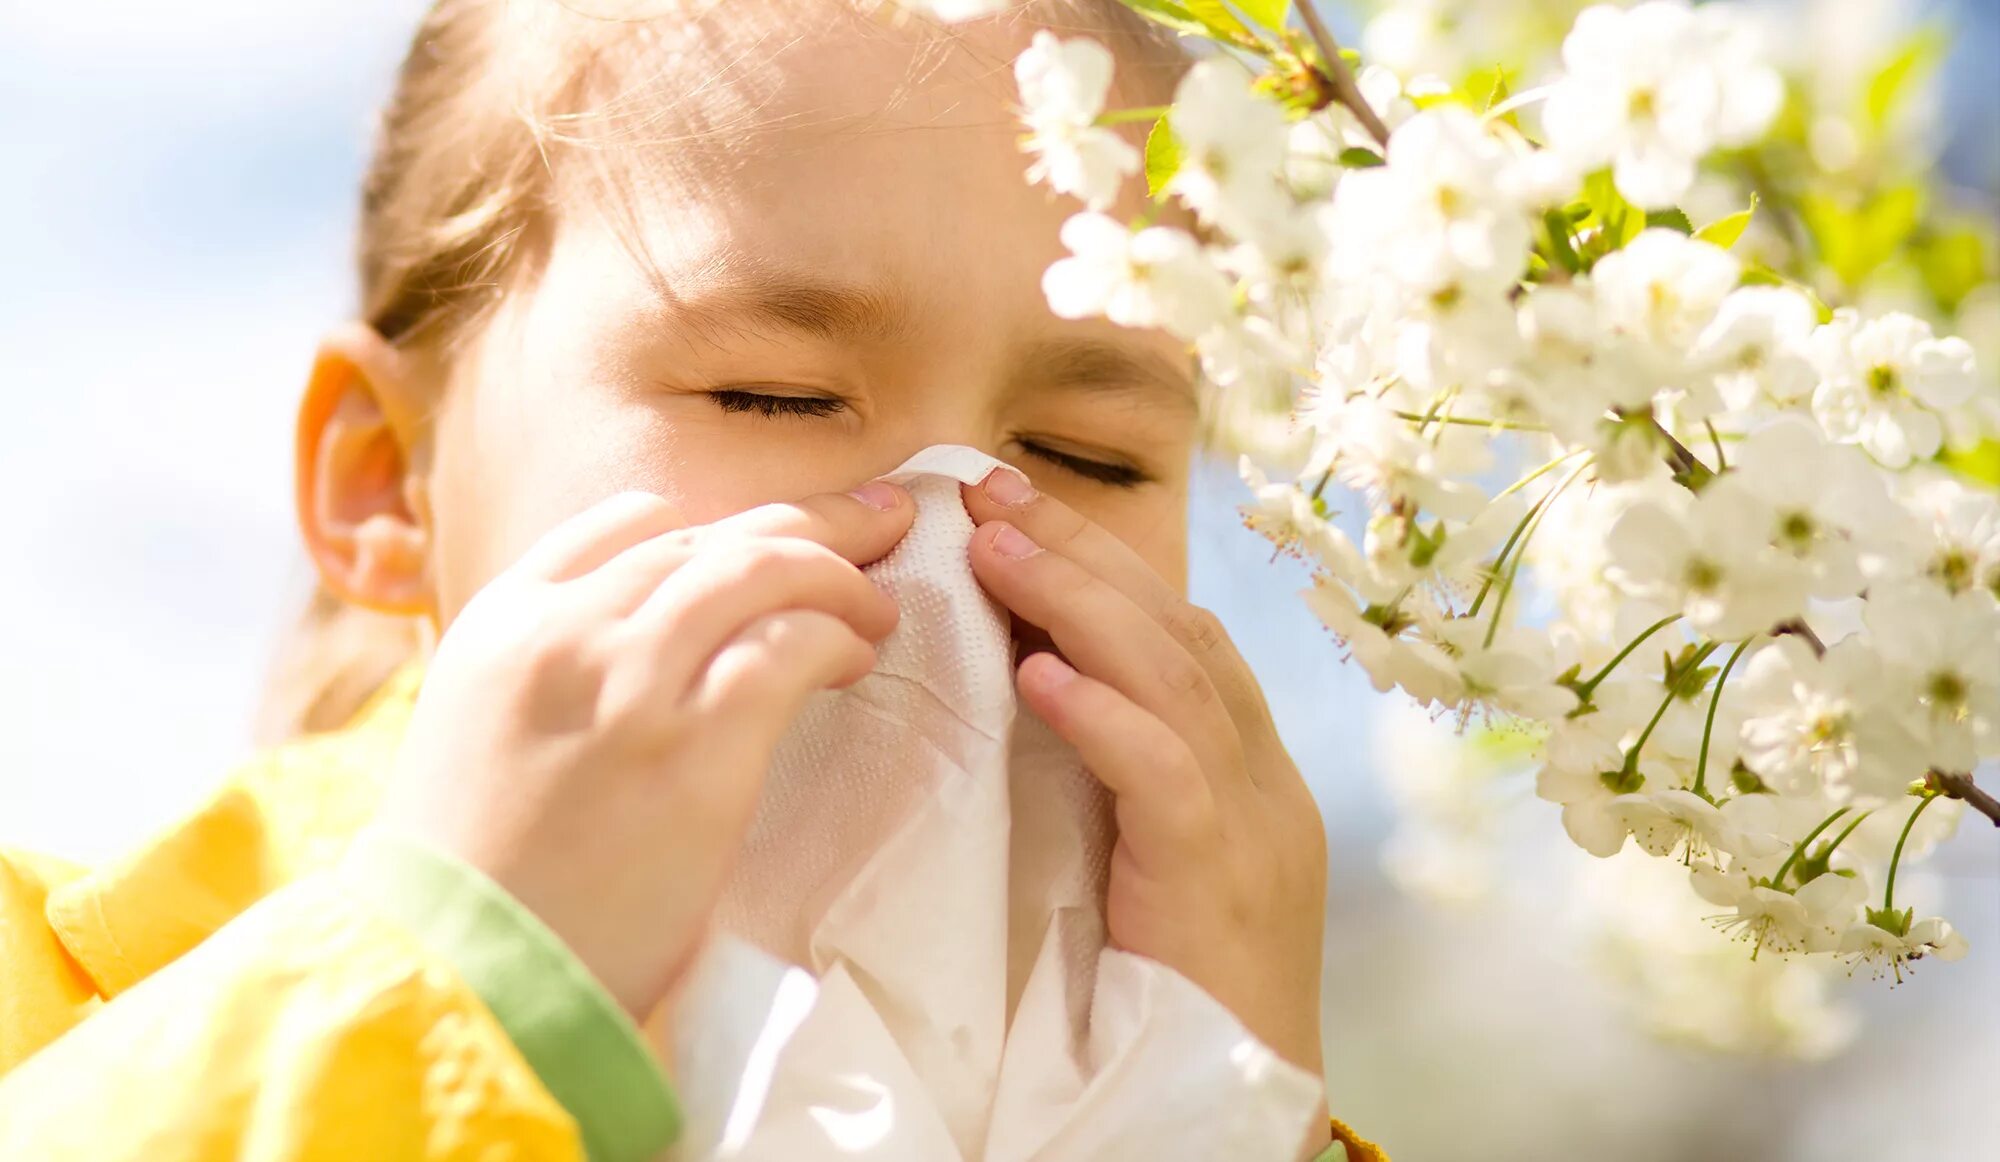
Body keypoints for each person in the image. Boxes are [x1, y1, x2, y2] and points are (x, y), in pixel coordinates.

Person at [0, 2, 1384, 1159]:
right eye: (771, 397)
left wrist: (1240, 1102)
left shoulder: (1206, 1062)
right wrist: (464, 990)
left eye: (1087, 456)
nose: (945, 536)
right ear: (387, 478)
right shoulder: (48, 1002)